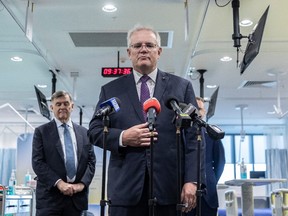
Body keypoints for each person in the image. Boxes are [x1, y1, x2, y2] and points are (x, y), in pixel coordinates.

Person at [88, 24, 205, 216]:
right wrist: (123, 137)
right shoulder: (111, 90)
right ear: (129, 52)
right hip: (125, 191)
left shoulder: (181, 87)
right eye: (137, 45)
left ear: (159, 52)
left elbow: (194, 137)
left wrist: (192, 181)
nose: (143, 49)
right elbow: (94, 130)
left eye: (149, 45)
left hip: (169, 189)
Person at [32, 90, 96, 216]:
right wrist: (59, 183)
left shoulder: (84, 133)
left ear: (72, 106)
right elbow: (37, 162)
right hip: (50, 199)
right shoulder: (41, 132)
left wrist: (82, 185)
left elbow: (91, 162)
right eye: (58, 104)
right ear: (51, 107)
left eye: (66, 103)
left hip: (76, 199)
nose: (62, 107)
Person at [188, 97, 225, 216]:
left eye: (200, 109)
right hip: (186, 193)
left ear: (204, 112)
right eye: (195, 109)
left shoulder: (212, 133)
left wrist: (211, 179)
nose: (198, 112)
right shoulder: (182, 133)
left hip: (208, 192)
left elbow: (220, 162)